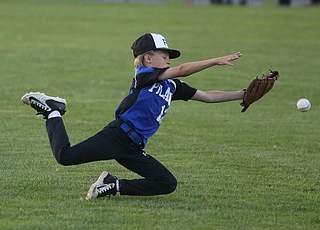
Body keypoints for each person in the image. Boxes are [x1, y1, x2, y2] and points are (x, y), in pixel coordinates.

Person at [21, 33, 244, 200]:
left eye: (169, 56)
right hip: (117, 136)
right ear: (148, 58)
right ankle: (53, 109)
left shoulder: (172, 86)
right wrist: (214, 60)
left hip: (133, 147)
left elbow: (207, 96)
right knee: (65, 156)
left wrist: (243, 95)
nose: (169, 59)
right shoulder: (145, 75)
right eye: (164, 55)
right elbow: (182, 69)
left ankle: (111, 185)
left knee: (167, 183)